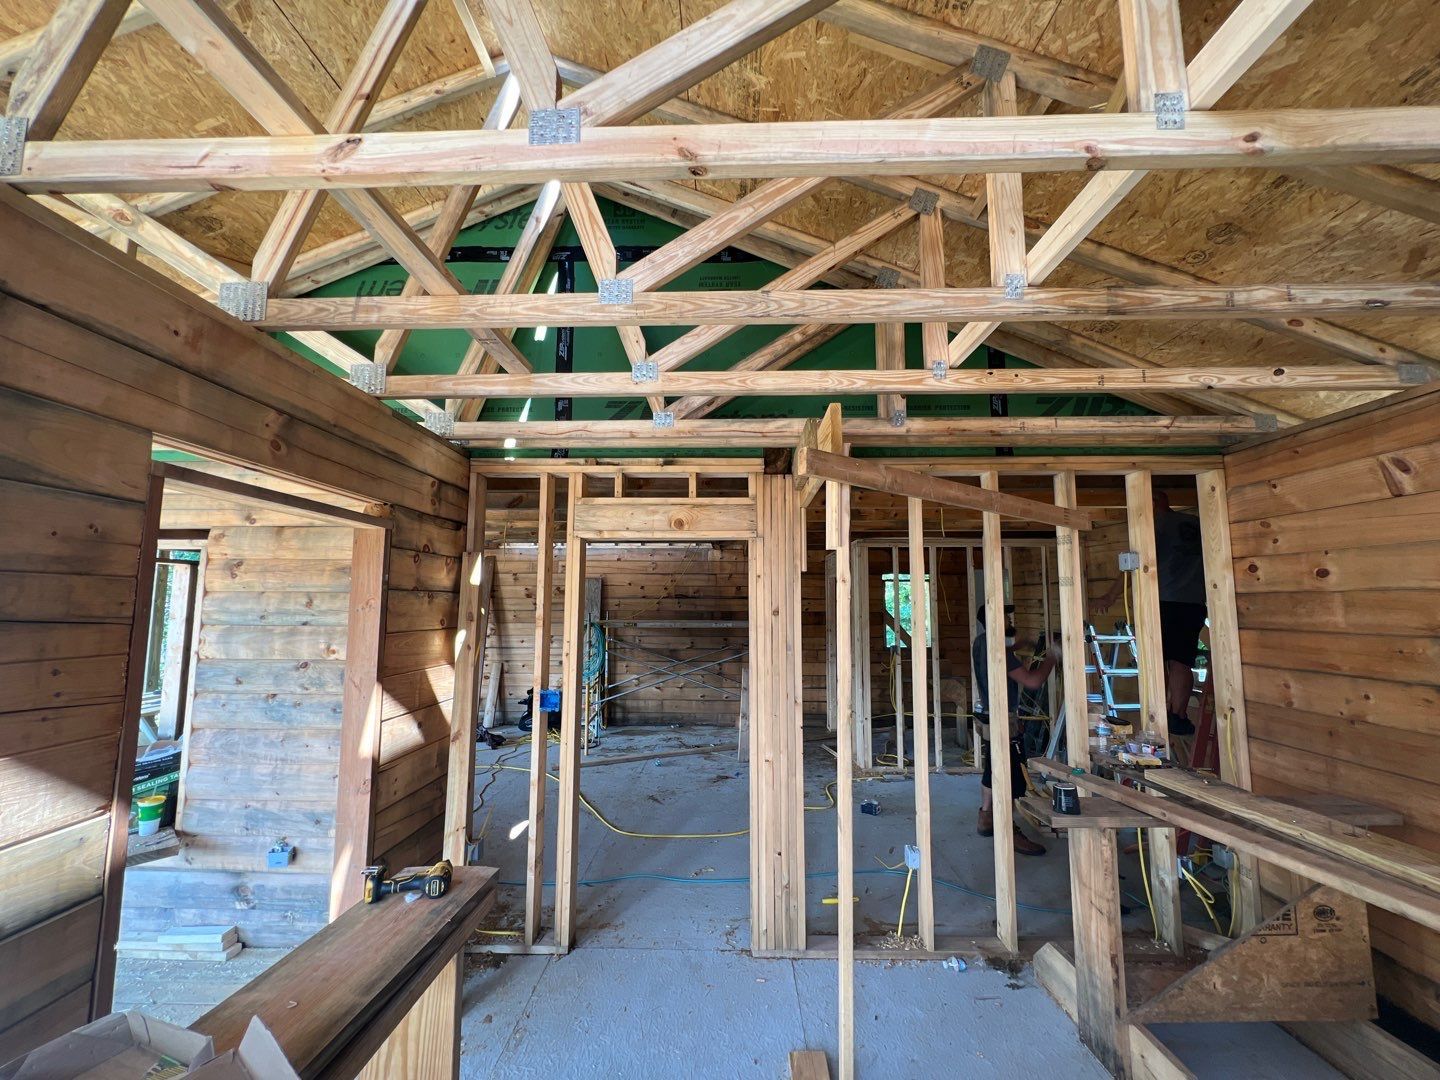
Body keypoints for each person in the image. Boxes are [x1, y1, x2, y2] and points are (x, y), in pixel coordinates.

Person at [1092, 489, 1204, 736]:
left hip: (1161, 601)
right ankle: (1179, 715)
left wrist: (1111, 595)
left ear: (1153, 502)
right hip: (1194, 602)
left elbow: (1133, 563)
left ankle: (1159, 713)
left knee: (1157, 659)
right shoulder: (1196, 524)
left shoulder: (1154, 527)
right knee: (1182, 661)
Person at [972, 606, 1057, 856]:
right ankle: (1008, 830)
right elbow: (1032, 681)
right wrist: (1052, 657)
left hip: (988, 717)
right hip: (1003, 721)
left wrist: (1023, 643)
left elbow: (1003, 653)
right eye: (1007, 617)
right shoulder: (999, 650)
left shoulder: (982, 642)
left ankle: (986, 818)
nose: (1010, 619)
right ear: (997, 621)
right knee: (1009, 777)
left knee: (992, 768)